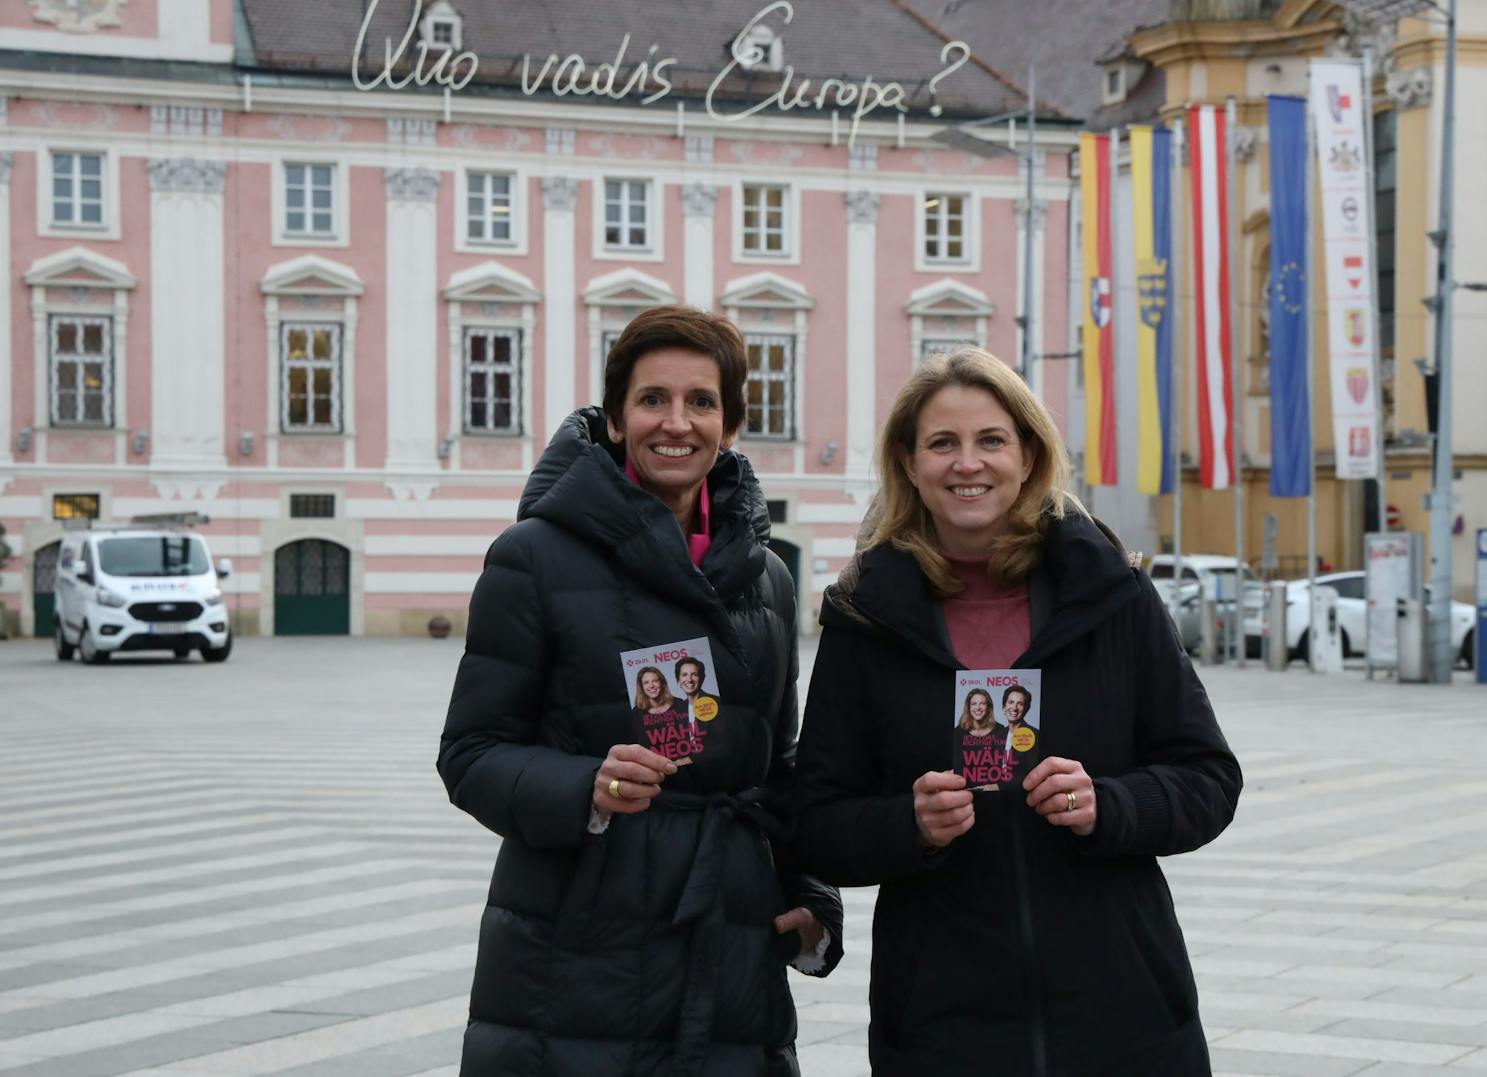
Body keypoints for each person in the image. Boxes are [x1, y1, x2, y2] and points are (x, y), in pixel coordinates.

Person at [793, 347, 1241, 1076]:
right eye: (943, 443)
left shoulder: (1115, 595)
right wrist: (907, 824)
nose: (968, 463)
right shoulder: (863, 618)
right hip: (942, 1021)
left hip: (1124, 1011)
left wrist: (1111, 803)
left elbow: (1209, 778)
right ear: (909, 463)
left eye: (990, 440)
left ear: (1028, 455)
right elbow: (814, 817)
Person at [439, 305, 843, 1076]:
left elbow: (779, 766)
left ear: (729, 425)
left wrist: (809, 892)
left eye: (701, 401)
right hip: (577, 950)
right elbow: (470, 753)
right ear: (617, 418)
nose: (676, 422)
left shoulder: (770, 577)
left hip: (728, 950)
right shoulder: (533, 557)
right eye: (653, 398)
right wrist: (587, 785)